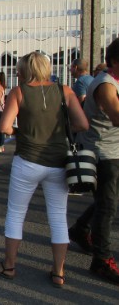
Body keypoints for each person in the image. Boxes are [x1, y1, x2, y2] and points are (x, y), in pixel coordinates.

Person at [0, 51, 87, 287]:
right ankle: (58, 272)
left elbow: (4, 127)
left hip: (28, 159)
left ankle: (9, 265)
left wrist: (24, 132)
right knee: (57, 216)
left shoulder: (19, 92)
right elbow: (82, 123)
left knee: (16, 213)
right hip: (58, 161)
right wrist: (60, 131)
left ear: (25, 70)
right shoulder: (65, 91)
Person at [74, 38, 119, 284]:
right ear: (114, 61)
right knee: (107, 205)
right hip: (102, 152)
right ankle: (101, 260)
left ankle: (80, 228)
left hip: (114, 150)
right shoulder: (106, 85)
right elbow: (116, 116)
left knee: (107, 199)